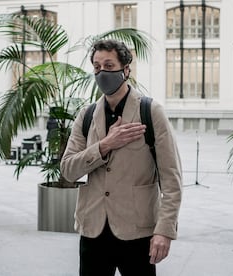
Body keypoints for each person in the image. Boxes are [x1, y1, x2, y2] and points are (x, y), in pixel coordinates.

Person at [60, 39, 182, 276]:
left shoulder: (150, 111)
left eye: (108, 65)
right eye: (96, 67)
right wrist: (104, 146)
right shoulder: (86, 115)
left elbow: (172, 179)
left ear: (126, 69)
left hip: (137, 231)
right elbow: (68, 169)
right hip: (93, 230)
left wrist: (164, 231)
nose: (102, 72)